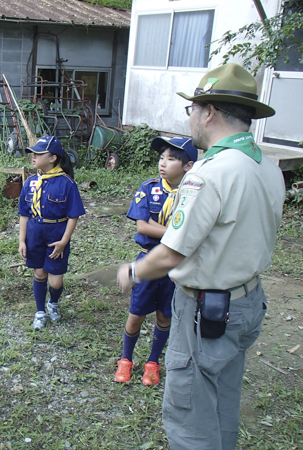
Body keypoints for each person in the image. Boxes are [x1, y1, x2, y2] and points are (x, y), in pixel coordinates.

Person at [117, 63, 285, 449]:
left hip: (207, 311)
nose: (190, 117)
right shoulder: (266, 167)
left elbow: (172, 253)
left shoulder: (209, 173)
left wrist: (133, 270)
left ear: (208, 112)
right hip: (247, 302)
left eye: (191, 109)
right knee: (223, 401)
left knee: (190, 414)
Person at [115, 136, 197, 386]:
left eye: (171, 159)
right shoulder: (149, 188)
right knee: (135, 314)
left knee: (165, 317)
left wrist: (160, 228)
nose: (163, 163)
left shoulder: (193, 194)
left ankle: (153, 362)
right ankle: (126, 359)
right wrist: (177, 233)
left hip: (176, 267)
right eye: (162, 157)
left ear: (188, 166)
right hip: (149, 262)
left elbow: (154, 225)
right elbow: (142, 226)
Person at [18, 136, 85, 330]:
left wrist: (64, 241)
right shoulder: (30, 182)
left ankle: (53, 302)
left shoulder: (66, 184)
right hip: (35, 233)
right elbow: (24, 213)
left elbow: (74, 216)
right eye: (33, 153)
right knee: (39, 273)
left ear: (53, 158)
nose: (33, 157)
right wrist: (22, 240)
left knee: (55, 281)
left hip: (57, 234)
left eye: (39, 154)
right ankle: (40, 310)